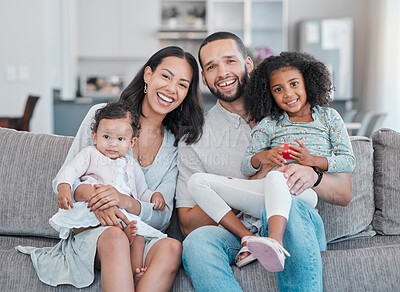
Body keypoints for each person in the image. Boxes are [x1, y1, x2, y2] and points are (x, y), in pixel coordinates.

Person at [16, 46, 203, 292]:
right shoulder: (103, 117)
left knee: (172, 247)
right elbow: (64, 181)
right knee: (114, 237)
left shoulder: (176, 144)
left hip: (137, 234)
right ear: (148, 75)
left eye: (182, 84)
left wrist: (123, 201)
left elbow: (163, 216)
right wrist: (96, 198)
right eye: (166, 76)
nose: (171, 89)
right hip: (94, 232)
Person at [176, 31, 352, 291]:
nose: (222, 72)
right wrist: (251, 182)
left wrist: (313, 175)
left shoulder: (293, 111)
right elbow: (188, 223)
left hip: (297, 223)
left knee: (290, 207)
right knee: (197, 242)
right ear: (204, 78)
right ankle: (255, 241)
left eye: (230, 61)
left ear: (248, 64)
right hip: (238, 232)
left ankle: (276, 240)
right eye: (212, 67)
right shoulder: (195, 137)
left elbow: (344, 193)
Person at [49, 101, 168, 281]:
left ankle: (134, 273)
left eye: (120, 139)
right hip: (91, 211)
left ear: (131, 142)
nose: (112, 144)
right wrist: (64, 186)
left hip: (119, 215)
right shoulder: (90, 154)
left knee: (139, 239)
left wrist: (154, 196)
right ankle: (114, 239)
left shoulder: (131, 165)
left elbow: (141, 192)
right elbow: (71, 171)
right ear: (95, 136)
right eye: (106, 137)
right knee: (95, 224)